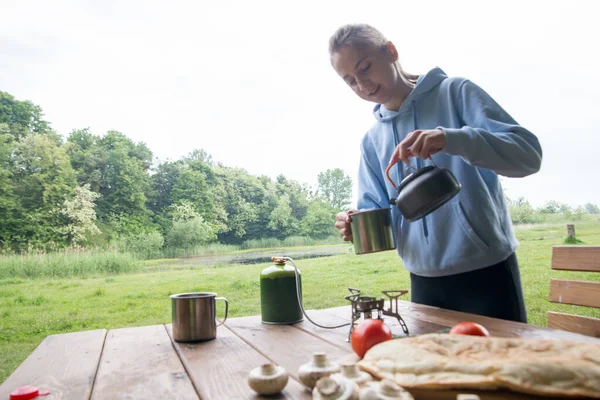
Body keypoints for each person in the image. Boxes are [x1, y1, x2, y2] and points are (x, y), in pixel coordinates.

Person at [330, 23, 542, 323]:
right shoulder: (371, 141)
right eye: (350, 80)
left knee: (500, 370)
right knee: (434, 370)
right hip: (423, 282)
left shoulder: (457, 93)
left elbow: (528, 156)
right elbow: (379, 213)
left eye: (365, 68)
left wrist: (450, 138)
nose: (362, 85)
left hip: (487, 273)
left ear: (391, 51)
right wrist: (355, 224)